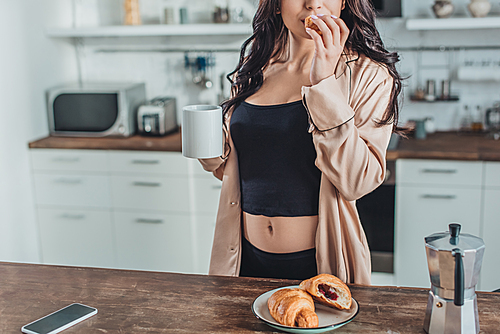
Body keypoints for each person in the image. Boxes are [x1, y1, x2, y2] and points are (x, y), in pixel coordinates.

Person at [199, 0, 404, 284]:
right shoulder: (254, 69)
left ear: (344, 2)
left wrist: (323, 83)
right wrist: (210, 153)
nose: (313, 4)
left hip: (320, 268)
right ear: (276, 5)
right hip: (243, 263)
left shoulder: (370, 75)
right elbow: (237, 171)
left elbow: (358, 182)